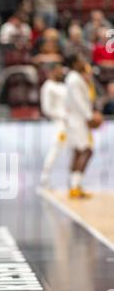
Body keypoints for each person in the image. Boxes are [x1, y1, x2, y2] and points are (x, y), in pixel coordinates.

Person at [65, 55, 94, 198]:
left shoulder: (74, 78)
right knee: (87, 151)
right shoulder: (74, 79)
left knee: (77, 151)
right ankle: (75, 185)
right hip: (77, 120)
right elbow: (79, 101)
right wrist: (90, 116)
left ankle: (74, 185)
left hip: (75, 120)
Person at [40, 62, 67, 187]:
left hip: (71, 123)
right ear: (51, 71)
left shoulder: (63, 85)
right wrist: (62, 116)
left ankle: (71, 180)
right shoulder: (48, 86)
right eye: (58, 69)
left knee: (73, 150)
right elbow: (47, 109)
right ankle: (45, 177)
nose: (61, 71)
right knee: (55, 148)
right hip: (59, 123)